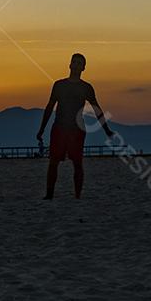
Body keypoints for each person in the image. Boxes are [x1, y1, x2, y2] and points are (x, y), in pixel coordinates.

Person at [36, 52, 114, 200]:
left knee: (78, 163)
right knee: (53, 162)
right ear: (70, 64)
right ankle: (49, 195)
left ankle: (78, 196)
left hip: (77, 130)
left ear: (84, 68)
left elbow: (97, 109)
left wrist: (107, 130)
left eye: (80, 63)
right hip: (59, 127)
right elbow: (49, 107)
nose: (77, 65)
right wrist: (41, 129)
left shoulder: (86, 88)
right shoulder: (59, 85)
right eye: (75, 62)